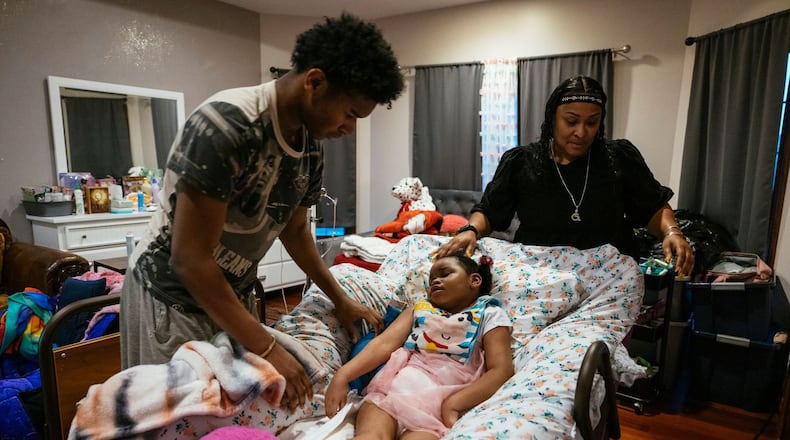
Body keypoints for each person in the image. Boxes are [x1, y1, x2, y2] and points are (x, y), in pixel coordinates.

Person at [120, 13, 405, 412]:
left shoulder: (309, 147)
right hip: (171, 298)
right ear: (315, 82)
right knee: (171, 419)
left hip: (228, 296)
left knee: (224, 416)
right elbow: (190, 260)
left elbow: (296, 232)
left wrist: (339, 299)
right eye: (350, 114)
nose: (349, 129)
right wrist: (267, 345)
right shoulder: (227, 126)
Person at [436, 75, 695, 277]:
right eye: (571, 121)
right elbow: (491, 211)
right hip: (540, 275)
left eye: (592, 122)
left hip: (607, 276)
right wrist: (470, 230)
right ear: (552, 118)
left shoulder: (620, 158)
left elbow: (652, 207)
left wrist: (672, 232)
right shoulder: (521, 161)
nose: (581, 132)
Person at [325, 253, 514, 439]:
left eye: (445, 274)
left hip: (436, 412)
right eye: (431, 280)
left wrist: (454, 403)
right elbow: (383, 344)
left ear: (474, 280)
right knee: (371, 436)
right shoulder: (420, 309)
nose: (435, 281)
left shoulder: (490, 314)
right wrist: (343, 375)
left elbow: (501, 371)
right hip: (389, 394)